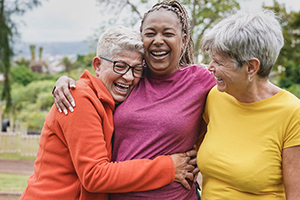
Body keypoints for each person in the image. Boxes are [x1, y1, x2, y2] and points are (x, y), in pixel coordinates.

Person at [53, 1, 216, 199]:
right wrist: (65, 82)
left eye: (167, 33)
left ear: (183, 40)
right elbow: (95, 87)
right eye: (150, 33)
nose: (158, 40)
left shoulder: (200, 80)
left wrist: (204, 155)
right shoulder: (132, 77)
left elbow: (237, 92)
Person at [20, 25, 198, 200]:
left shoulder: (114, 100)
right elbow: (94, 175)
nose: (128, 77)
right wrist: (168, 168)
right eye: (120, 66)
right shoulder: (79, 98)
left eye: (136, 69)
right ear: (97, 65)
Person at [198, 9, 300, 199]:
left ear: (251, 67)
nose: (210, 67)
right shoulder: (215, 96)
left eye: (219, 62)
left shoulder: (293, 114)